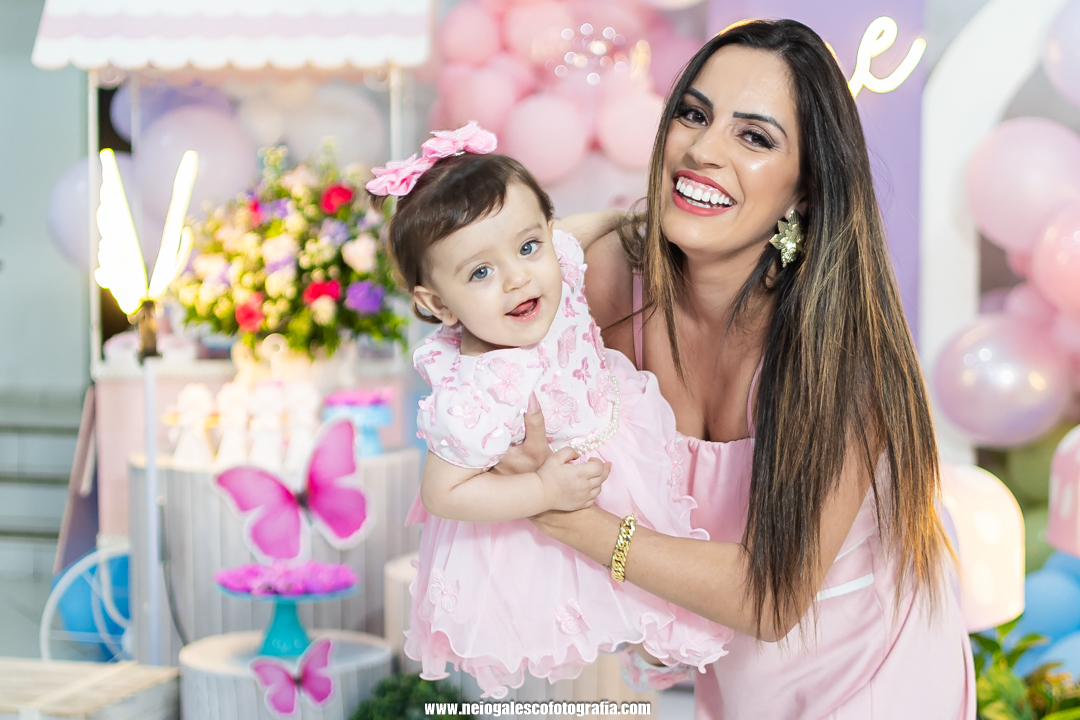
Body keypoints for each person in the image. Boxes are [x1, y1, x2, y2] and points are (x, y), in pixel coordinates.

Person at [501, 19, 975, 719]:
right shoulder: (615, 287)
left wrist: (573, 522)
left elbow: (772, 597)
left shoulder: (842, 354)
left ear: (805, 191)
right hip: (736, 675)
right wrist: (600, 227)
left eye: (754, 137)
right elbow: (487, 289)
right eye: (694, 115)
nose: (702, 149)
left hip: (875, 678)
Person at [366, 122, 732, 700]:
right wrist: (542, 491)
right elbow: (443, 493)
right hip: (550, 493)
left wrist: (631, 219)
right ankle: (632, 669)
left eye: (526, 246)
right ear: (438, 304)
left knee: (663, 573)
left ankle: (656, 657)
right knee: (593, 623)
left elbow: (571, 232)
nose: (517, 278)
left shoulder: (551, 265)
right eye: (480, 272)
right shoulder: (478, 386)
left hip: (617, 442)